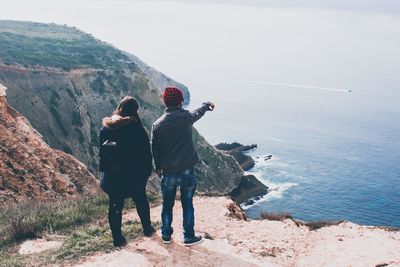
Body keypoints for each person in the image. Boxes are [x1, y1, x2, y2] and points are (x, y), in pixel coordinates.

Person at [151, 87, 214, 246]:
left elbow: (155, 150)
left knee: (167, 204)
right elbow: (198, 112)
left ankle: (166, 235)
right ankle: (188, 237)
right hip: (186, 169)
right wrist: (207, 104)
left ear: (165, 102)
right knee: (187, 204)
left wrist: (158, 167)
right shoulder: (186, 117)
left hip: (168, 171)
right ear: (180, 101)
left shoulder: (157, 125)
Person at [100, 96, 155, 247]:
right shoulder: (136, 128)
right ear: (135, 111)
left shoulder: (106, 128)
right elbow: (145, 153)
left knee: (115, 206)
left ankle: (117, 239)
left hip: (112, 176)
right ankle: (147, 229)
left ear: (120, 108)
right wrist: (147, 172)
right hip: (134, 176)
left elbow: (102, 151)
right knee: (141, 201)